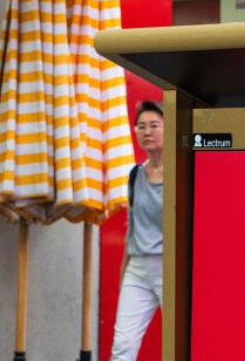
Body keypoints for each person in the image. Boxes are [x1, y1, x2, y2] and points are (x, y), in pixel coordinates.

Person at [110, 100, 165, 361]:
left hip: (170, 269)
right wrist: (124, 273)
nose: (147, 132)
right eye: (141, 126)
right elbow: (133, 227)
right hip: (138, 269)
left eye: (154, 125)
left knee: (180, 341)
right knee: (123, 345)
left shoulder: (181, 171)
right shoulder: (135, 175)